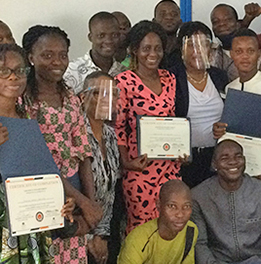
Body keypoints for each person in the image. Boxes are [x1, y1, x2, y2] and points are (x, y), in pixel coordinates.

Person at [22, 25, 103, 264]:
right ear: (31, 58)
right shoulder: (23, 101)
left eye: (63, 54)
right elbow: (37, 161)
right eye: (47, 55)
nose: (57, 61)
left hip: (75, 192)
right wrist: (82, 200)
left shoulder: (70, 98)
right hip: (42, 193)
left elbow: (84, 153)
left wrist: (90, 202)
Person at [0, 43, 76, 262]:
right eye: (4, 71)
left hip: (30, 224)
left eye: (20, 70)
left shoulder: (27, 118)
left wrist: (59, 201)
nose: (13, 77)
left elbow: (38, 171)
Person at [115, 20, 181, 234]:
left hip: (170, 167)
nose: (152, 54)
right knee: (143, 230)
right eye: (146, 48)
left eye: (157, 48)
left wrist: (181, 150)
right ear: (135, 50)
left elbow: (173, 121)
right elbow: (118, 127)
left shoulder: (170, 78)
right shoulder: (123, 81)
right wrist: (126, 161)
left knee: (172, 225)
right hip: (140, 167)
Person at [191, 140, 261, 264]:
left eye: (238, 156)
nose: (233, 162)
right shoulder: (198, 196)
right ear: (214, 164)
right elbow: (200, 243)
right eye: (225, 158)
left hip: (259, 261)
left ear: (245, 160)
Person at [213, 28, 261, 183]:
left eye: (250, 51)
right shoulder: (230, 88)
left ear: (259, 54)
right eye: (239, 51)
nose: (245, 57)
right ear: (232, 55)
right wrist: (219, 131)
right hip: (234, 170)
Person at [170, 21, 228, 188]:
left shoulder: (220, 77)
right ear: (181, 48)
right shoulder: (171, 77)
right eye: (191, 45)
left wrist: (224, 127)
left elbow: (231, 114)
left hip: (216, 159)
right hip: (184, 160)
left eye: (204, 44)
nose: (198, 50)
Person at [80, 71, 121, 264]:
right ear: (83, 97)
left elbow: (109, 193)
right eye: (98, 93)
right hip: (74, 233)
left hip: (101, 232)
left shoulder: (111, 135)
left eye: (113, 93)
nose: (107, 99)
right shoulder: (75, 133)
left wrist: (101, 235)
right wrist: (88, 238)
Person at [118, 180, 197, 264]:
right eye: (172, 206)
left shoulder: (190, 230)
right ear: (158, 205)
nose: (180, 214)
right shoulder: (138, 240)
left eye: (186, 206)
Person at [64, 12, 126, 94]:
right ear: (90, 37)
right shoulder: (71, 71)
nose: (108, 41)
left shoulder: (124, 72)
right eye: (101, 36)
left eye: (114, 35)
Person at [209, 4, 261, 81]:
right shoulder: (209, 54)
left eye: (227, 20)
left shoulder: (259, 58)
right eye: (215, 21)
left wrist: (247, 19)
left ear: (237, 23)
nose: (221, 24)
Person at [153, 0, 183, 68]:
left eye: (174, 14)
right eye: (163, 14)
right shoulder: (148, 49)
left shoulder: (186, 48)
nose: (169, 17)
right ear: (154, 21)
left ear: (180, 22)